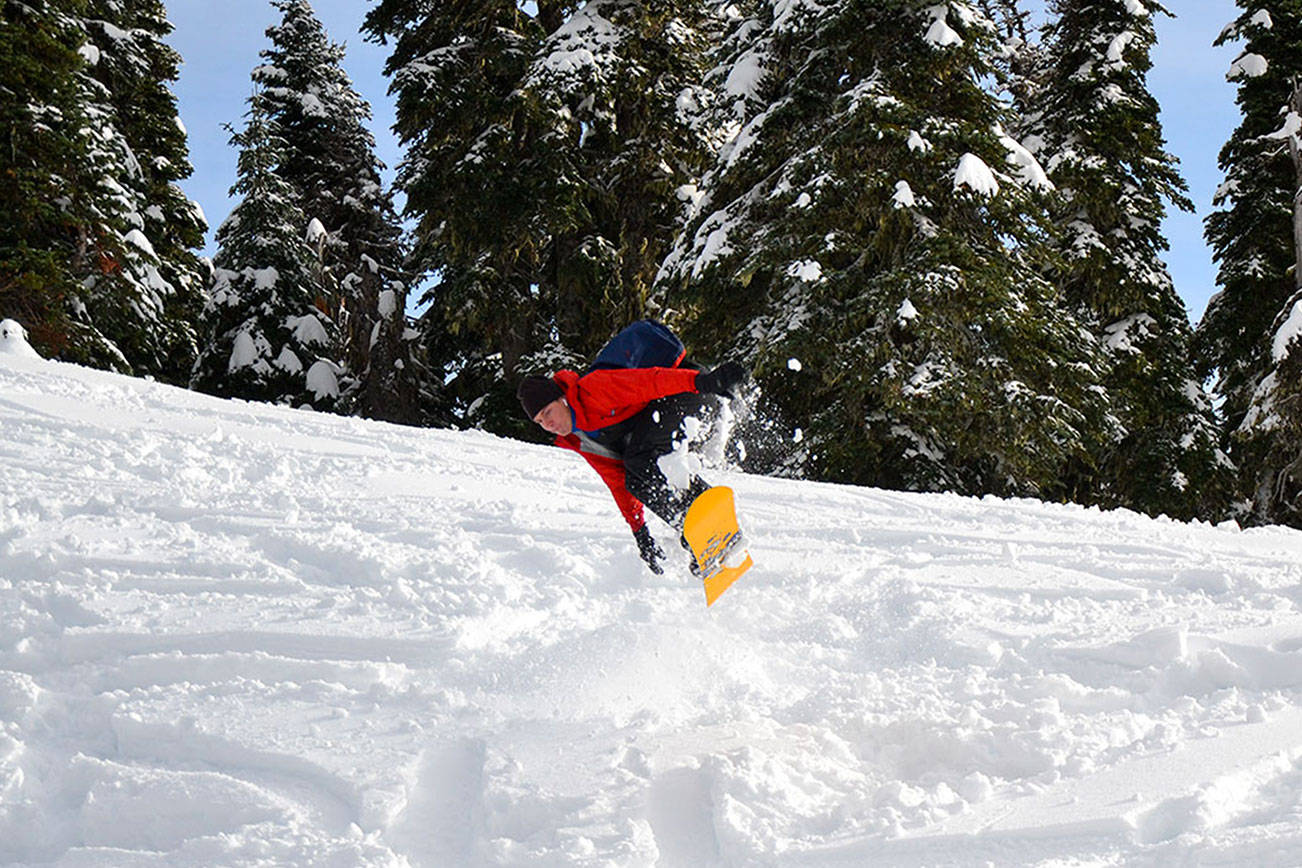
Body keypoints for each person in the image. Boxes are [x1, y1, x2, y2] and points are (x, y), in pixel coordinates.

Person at [517, 359, 746, 574]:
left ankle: (707, 525)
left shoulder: (592, 389)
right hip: (667, 412)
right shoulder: (578, 437)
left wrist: (700, 382)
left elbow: (650, 381)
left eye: (548, 412)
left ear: (562, 399)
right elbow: (615, 480)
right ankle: (703, 533)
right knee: (633, 480)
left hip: (686, 390)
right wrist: (640, 532)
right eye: (539, 421)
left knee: (639, 460)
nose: (548, 424)